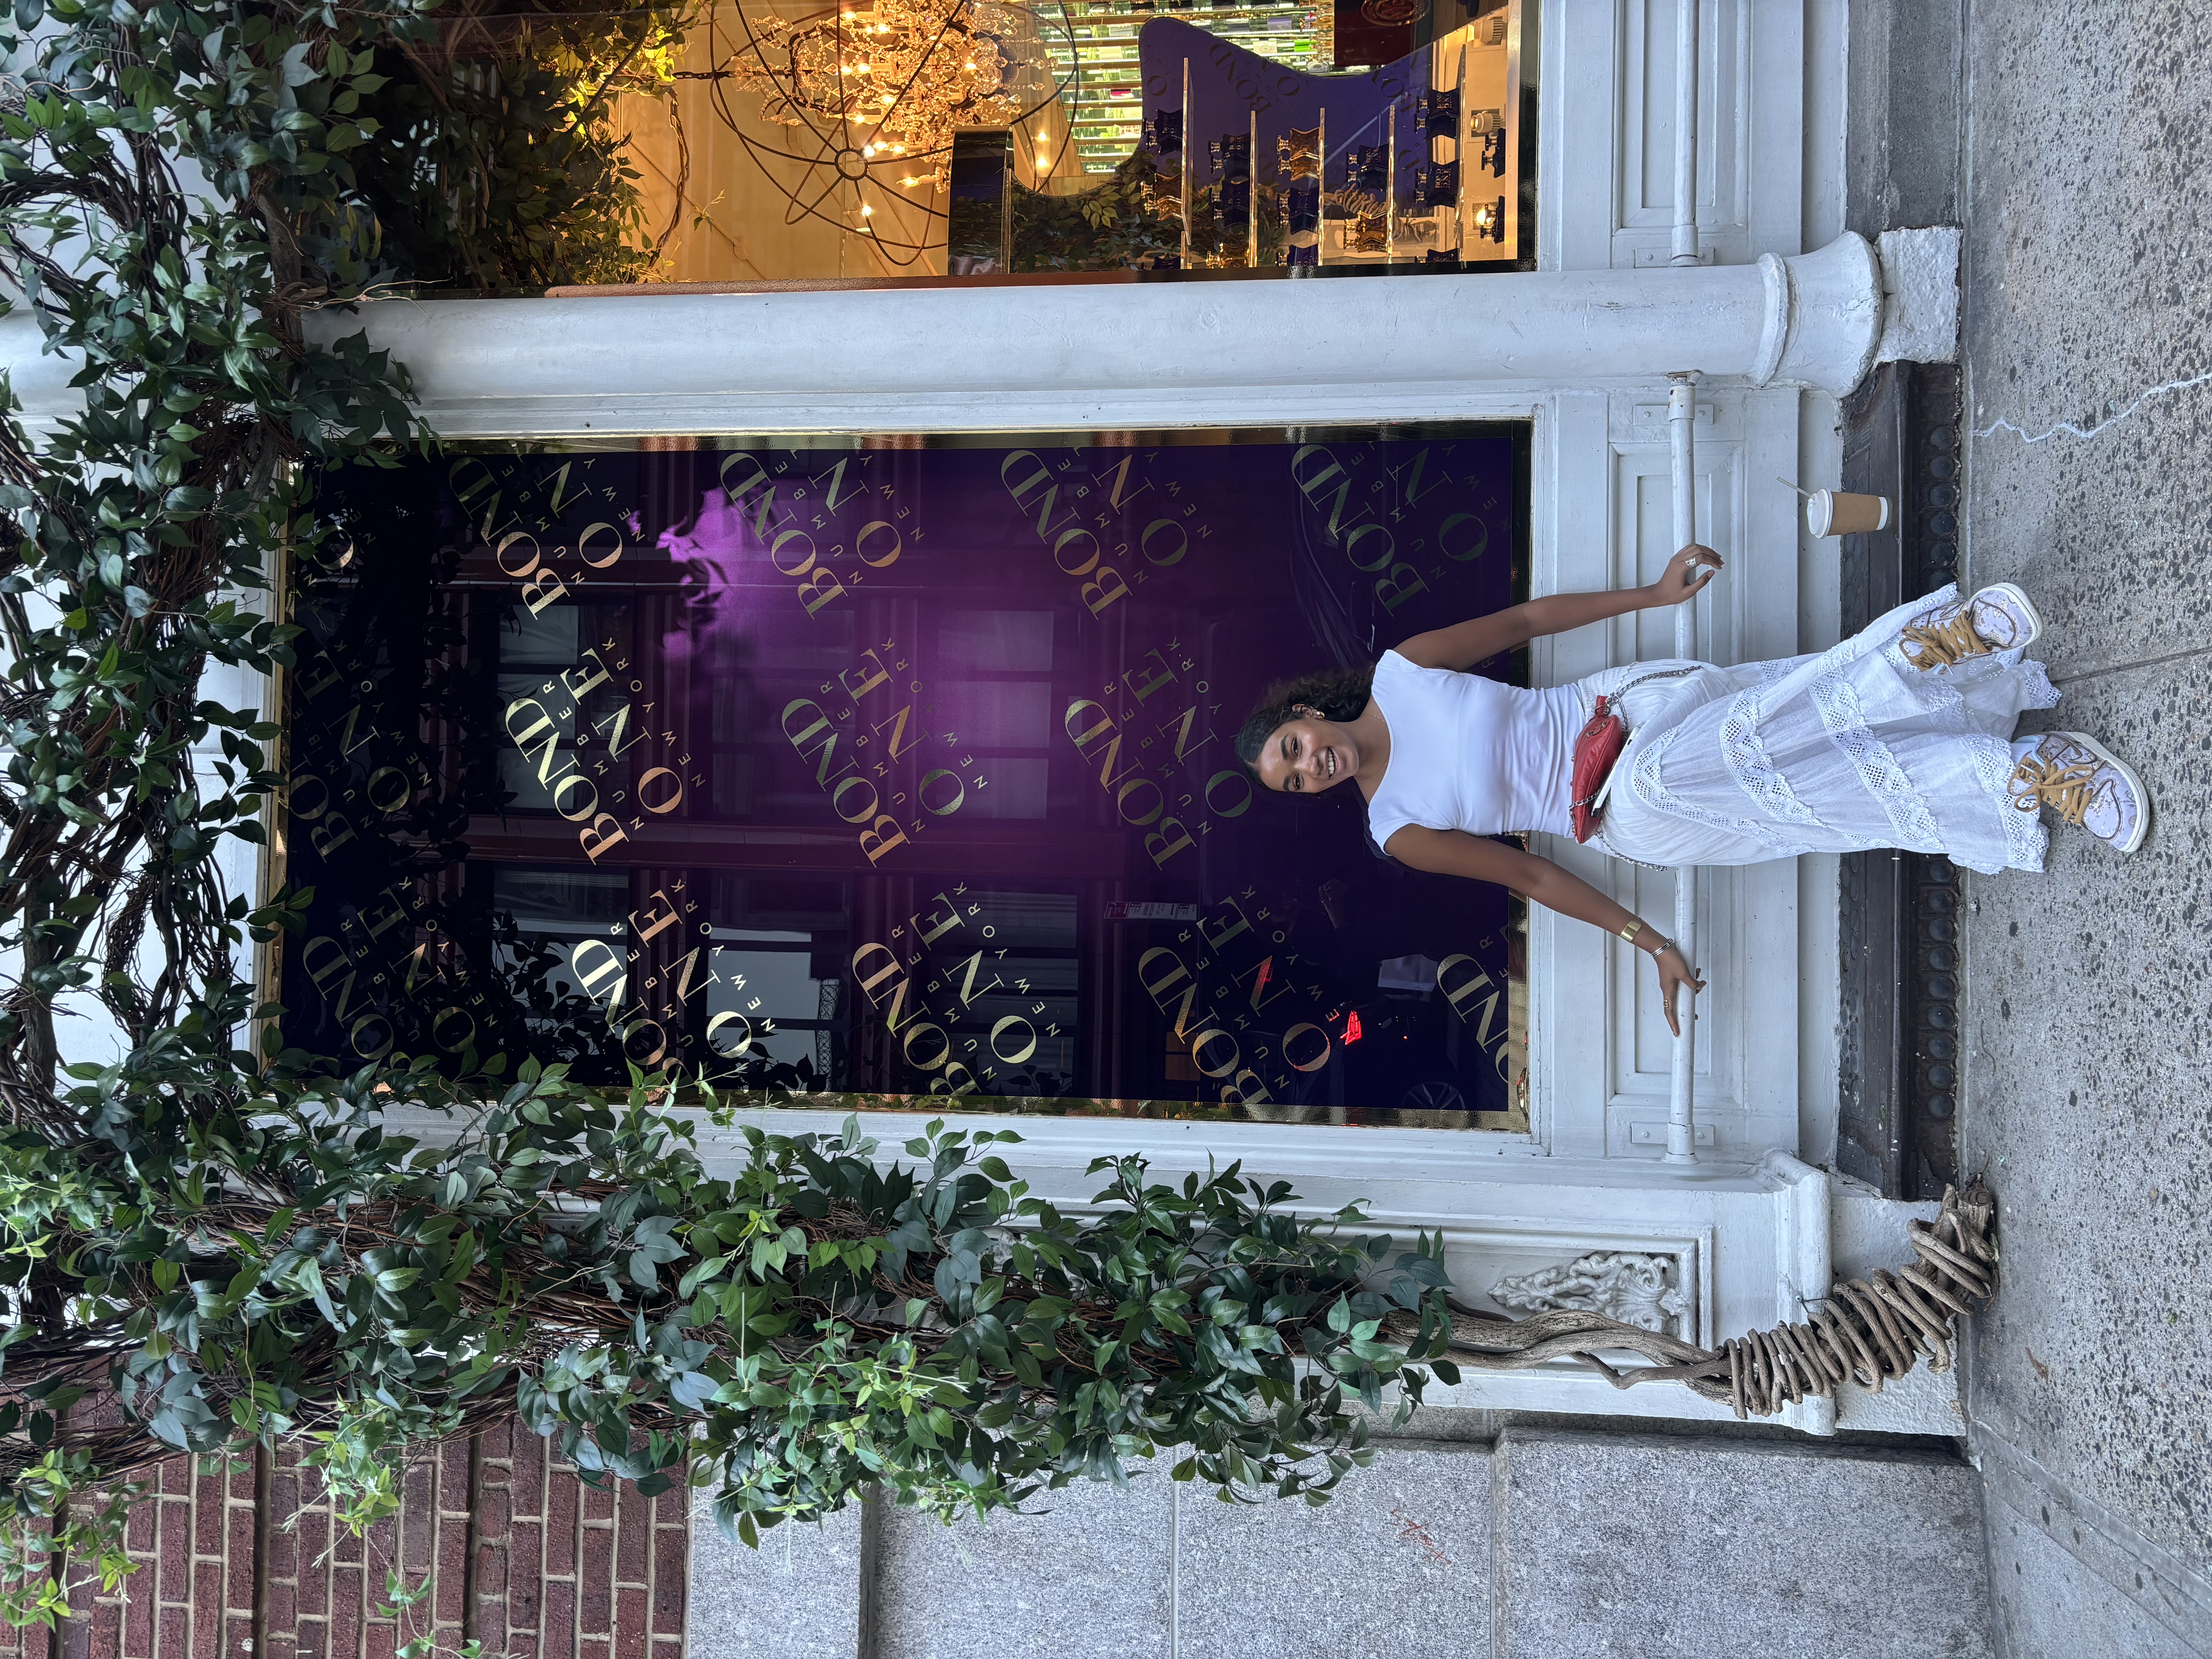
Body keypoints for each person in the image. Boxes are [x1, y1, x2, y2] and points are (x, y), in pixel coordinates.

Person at [1234, 547, 2150, 1028]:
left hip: (1627, 716)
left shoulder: (1403, 672)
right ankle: (1987, 728)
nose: (1313, 767)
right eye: (1297, 782)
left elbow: (1523, 618)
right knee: (1821, 798)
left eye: (1295, 746)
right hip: (1615, 814)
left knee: (1686, 766)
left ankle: (1975, 720)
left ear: (1309, 712)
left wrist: (1653, 596)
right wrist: (1650, 940)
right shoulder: (1395, 827)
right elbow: (1531, 879)